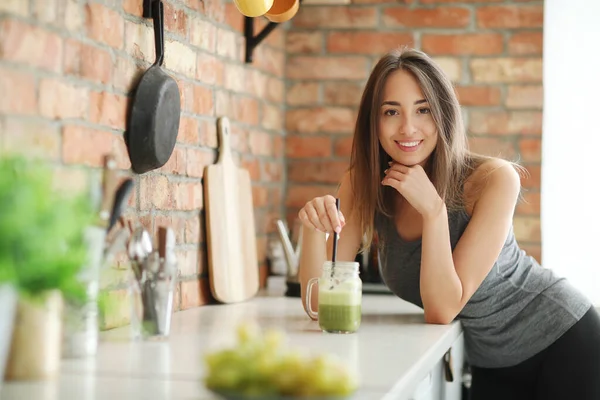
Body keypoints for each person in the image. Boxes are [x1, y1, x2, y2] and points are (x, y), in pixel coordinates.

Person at [297, 47, 600, 400]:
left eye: (423, 110)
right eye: (391, 111)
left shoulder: (493, 180)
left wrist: (434, 211)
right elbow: (319, 306)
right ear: (373, 122)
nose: (408, 127)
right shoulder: (361, 183)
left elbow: (442, 308)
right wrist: (312, 230)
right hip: (491, 360)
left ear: (443, 114)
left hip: (563, 340)